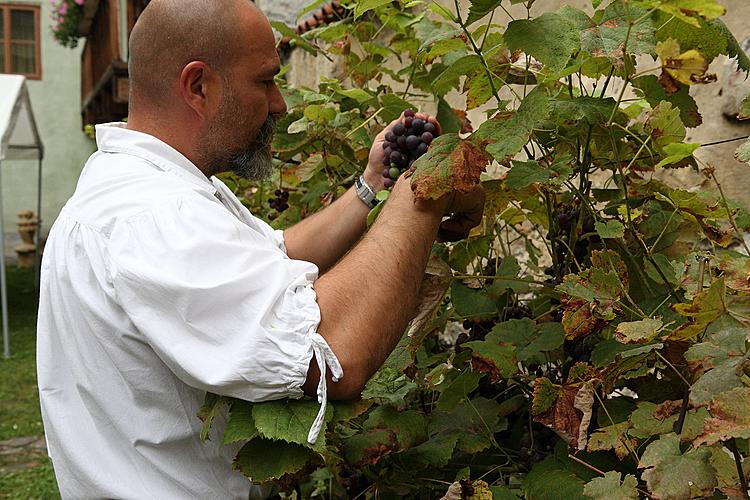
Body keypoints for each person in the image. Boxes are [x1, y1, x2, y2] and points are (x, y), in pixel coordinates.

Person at [36, 0, 484, 498]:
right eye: (265, 80)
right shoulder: (155, 218)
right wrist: (426, 187)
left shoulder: (143, 186)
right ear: (198, 86)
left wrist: (371, 183)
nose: (280, 104)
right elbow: (332, 351)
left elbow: (273, 259)